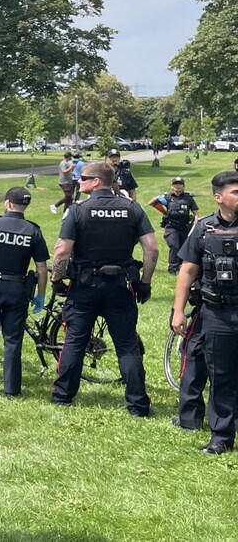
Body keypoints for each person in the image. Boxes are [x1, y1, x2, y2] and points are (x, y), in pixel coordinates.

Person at [50, 161, 157, 415]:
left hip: (84, 285)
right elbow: (151, 249)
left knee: (75, 342)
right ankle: (138, 405)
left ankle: (63, 396)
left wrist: (57, 278)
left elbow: (62, 251)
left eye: (83, 178)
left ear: (97, 181)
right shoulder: (133, 208)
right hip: (121, 285)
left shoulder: (78, 210)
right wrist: (145, 283)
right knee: (127, 344)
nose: (79, 181)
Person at [172, 171, 238, 454]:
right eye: (235, 192)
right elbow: (187, 270)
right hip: (217, 312)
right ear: (218, 197)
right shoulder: (203, 228)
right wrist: (179, 311)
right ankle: (221, 436)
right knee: (220, 375)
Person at [0, 187, 49, 396]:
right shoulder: (33, 231)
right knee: (13, 341)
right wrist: (40, 295)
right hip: (18, 289)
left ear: (7, 203)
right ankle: (11, 389)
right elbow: (42, 267)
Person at [148, 177, 200, 274]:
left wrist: (196, 223)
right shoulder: (167, 198)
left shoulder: (188, 199)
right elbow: (151, 203)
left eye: (180, 184)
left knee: (183, 247)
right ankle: (173, 268)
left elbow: (195, 213)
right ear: (172, 186)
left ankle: (181, 267)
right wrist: (160, 196)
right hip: (171, 226)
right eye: (175, 184)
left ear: (183, 186)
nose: (178, 186)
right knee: (174, 245)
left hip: (184, 226)